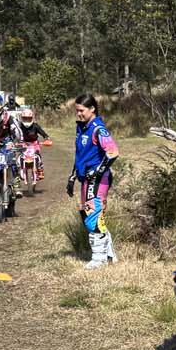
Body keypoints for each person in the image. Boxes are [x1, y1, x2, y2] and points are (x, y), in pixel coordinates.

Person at [66, 93, 119, 269]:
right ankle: (109, 254)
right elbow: (80, 155)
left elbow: (113, 152)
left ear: (92, 109)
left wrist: (97, 171)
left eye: (81, 110)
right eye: (77, 110)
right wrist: (72, 176)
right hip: (85, 178)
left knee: (93, 216)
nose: (78, 114)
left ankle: (99, 259)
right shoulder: (81, 128)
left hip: (98, 179)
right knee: (86, 214)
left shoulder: (98, 129)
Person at [17, 107, 49, 179]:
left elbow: (42, 132)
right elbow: (15, 133)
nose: (27, 120)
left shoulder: (35, 126)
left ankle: (40, 169)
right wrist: (14, 140)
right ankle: (20, 169)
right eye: (25, 118)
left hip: (34, 143)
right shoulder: (20, 126)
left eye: (28, 119)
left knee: (37, 155)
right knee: (21, 156)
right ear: (22, 118)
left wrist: (46, 137)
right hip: (24, 143)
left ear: (32, 118)